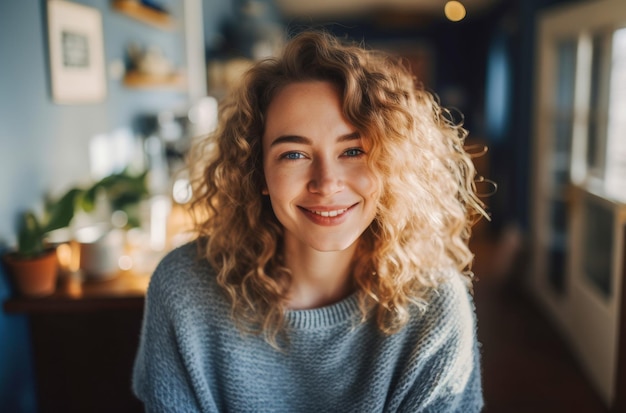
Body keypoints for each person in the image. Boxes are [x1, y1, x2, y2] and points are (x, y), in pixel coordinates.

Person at [132, 30, 488, 412]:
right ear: (258, 171)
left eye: (352, 150)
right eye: (294, 155)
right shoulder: (183, 289)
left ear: (391, 165)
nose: (326, 183)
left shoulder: (434, 305)